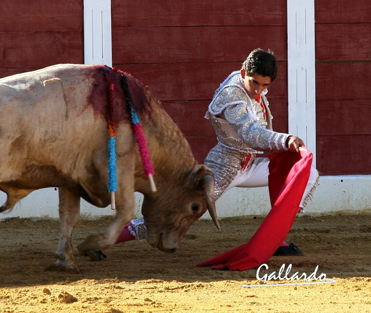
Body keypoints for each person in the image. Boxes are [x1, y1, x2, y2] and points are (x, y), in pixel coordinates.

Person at [111, 49, 320, 256]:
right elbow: (250, 133)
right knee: (177, 213)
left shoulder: (250, 85)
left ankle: (275, 238)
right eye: (254, 82)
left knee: (308, 173)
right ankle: (107, 240)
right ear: (243, 73)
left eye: (265, 85)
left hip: (250, 163)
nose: (258, 90)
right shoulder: (232, 96)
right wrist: (284, 139)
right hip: (224, 165)